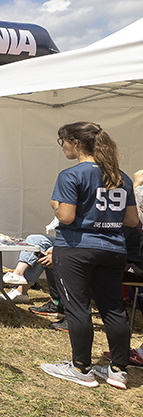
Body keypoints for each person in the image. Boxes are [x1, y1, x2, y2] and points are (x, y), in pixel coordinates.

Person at [40, 122, 138, 389]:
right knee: (114, 309)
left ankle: (81, 368)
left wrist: (55, 205)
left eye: (63, 142)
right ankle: (118, 370)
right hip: (113, 249)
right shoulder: (122, 177)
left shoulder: (71, 175)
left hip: (77, 249)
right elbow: (131, 219)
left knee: (78, 307)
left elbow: (67, 216)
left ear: (76, 143)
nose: (63, 147)